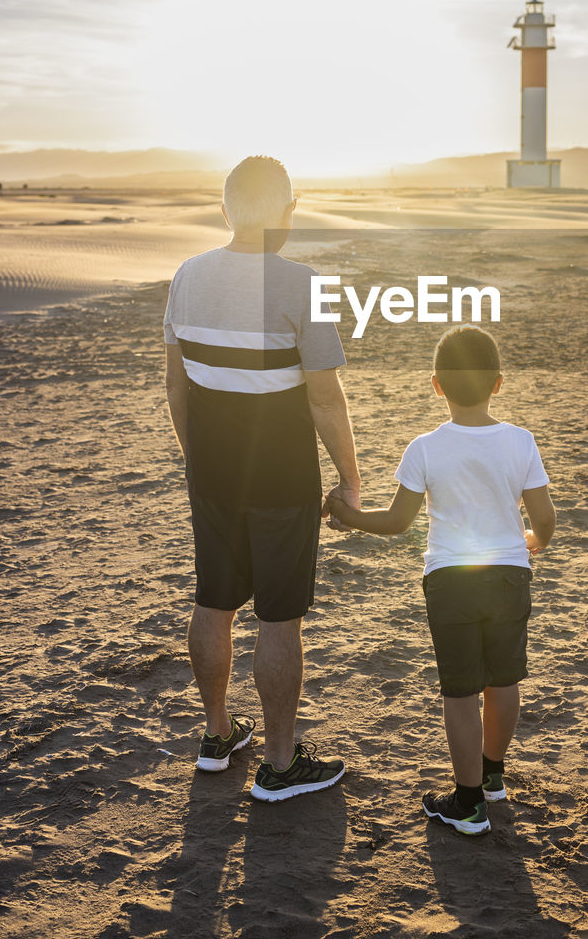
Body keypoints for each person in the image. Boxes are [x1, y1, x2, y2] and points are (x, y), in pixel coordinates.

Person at [164, 155, 359, 801]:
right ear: (288, 211)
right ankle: (279, 763)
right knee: (280, 618)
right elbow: (325, 400)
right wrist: (349, 479)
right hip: (282, 478)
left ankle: (217, 734)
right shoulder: (302, 284)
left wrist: (198, 459)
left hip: (212, 474)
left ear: (224, 210)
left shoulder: (187, 277)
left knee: (212, 601)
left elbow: (176, 385)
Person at [326, 325, 555, 836]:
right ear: (499, 383)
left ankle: (469, 802)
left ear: (436, 385)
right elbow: (546, 518)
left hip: (451, 579)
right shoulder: (521, 441)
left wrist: (347, 515)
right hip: (509, 574)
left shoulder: (424, 448)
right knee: (503, 679)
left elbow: (397, 522)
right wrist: (533, 538)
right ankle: (492, 775)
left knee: (459, 691)